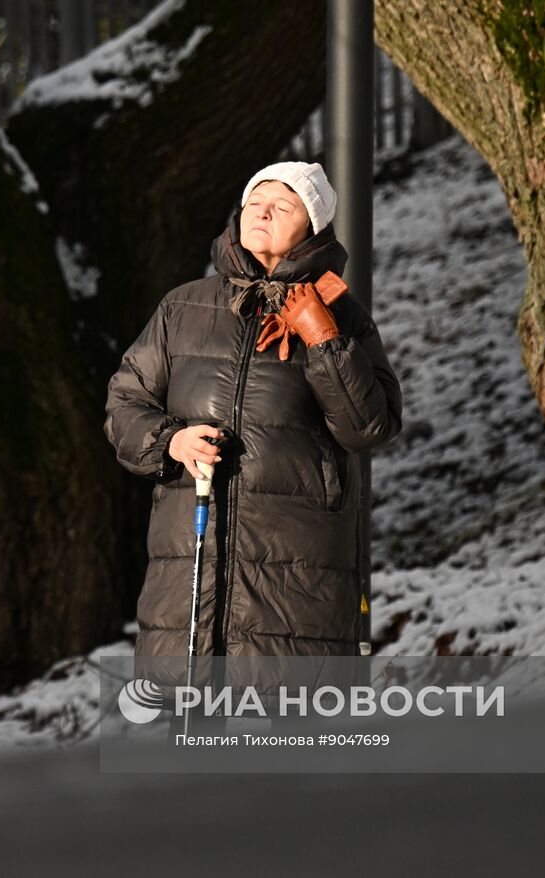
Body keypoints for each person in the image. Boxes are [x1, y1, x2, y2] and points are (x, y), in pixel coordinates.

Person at [103, 161, 402, 736]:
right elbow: (124, 405)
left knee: (287, 762)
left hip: (296, 587)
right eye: (255, 200)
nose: (263, 210)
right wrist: (172, 440)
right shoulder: (183, 308)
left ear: (312, 228)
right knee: (187, 766)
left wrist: (323, 337)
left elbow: (369, 428)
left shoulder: (342, 316)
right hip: (188, 578)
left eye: (284, 205)